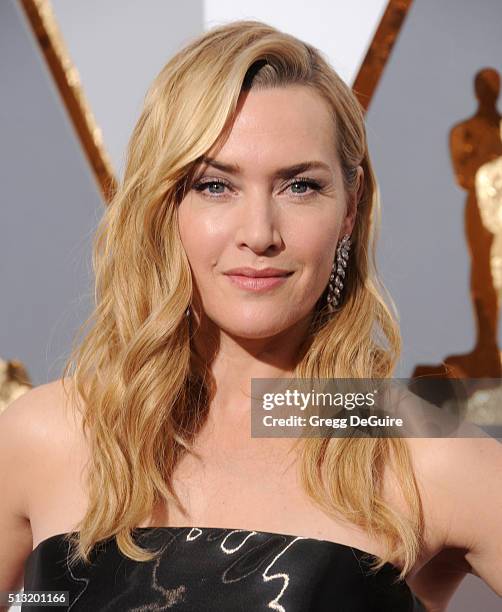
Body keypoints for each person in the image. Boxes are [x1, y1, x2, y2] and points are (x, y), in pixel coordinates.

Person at [1, 19, 502, 612]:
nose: (260, 233)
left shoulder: (425, 455)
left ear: (350, 206)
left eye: (300, 187)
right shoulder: (41, 436)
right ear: (164, 207)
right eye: (215, 186)